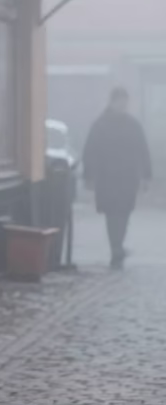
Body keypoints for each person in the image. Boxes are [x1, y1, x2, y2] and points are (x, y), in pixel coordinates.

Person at [82, 87, 152, 269]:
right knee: (112, 213)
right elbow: (90, 150)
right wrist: (89, 175)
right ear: (112, 102)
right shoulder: (101, 124)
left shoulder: (132, 125)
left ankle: (117, 246)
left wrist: (146, 175)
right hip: (107, 178)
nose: (123, 105)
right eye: (120, 101)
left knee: (124, 212)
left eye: (125, 102)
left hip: (128, 177)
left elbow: (143, 150)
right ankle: (116, 247)